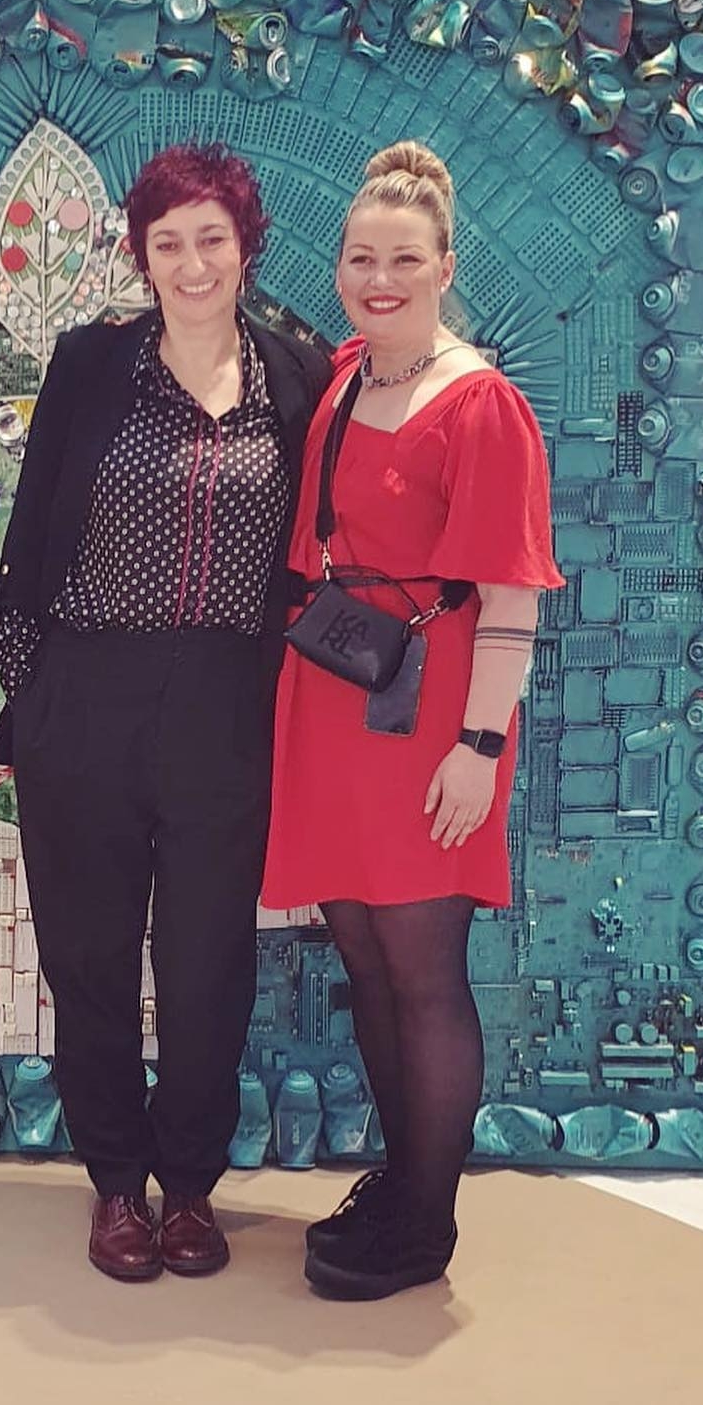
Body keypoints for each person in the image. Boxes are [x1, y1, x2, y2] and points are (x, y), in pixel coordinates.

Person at [0, 143, 328, 1281]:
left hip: (226, 705)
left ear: (245, 246)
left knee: (205, 963)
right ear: (141, 255)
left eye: (210, 239)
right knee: (87, 956)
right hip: (86, 695)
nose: (191, 263)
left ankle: (189, 1188)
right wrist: (33, 690)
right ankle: (115, 1186)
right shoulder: (91, 365)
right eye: (167, 243)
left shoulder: (298, 377)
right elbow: (30, 529)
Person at [264, 141, 563, 1301]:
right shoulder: (349, 374)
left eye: (403, 260)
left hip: (430, 715)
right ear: (338, 267)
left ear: (445, 265)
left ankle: (427, 1224)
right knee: (367, 962)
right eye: (360, 259)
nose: (378, 279)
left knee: (425, 971)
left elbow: (512, 595)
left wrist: (479, 749)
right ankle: (399, 1183)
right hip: (335, 697)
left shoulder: (481, 406)